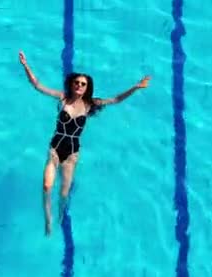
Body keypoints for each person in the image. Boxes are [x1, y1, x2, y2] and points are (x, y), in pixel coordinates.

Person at [18, 50, 151, 236]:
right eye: (77, 83)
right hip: (55, 148)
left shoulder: (90, 105)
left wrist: (135, 87)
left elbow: (116, 99)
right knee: (47, 186)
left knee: (64, 193)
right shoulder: (62, 98)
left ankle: (61, 215)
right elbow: (37, 85)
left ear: (87, 87)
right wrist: (26, 65)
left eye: (83, 84)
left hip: (72, 153)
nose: (80, 85)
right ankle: (48, 219)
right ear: (71, 85)